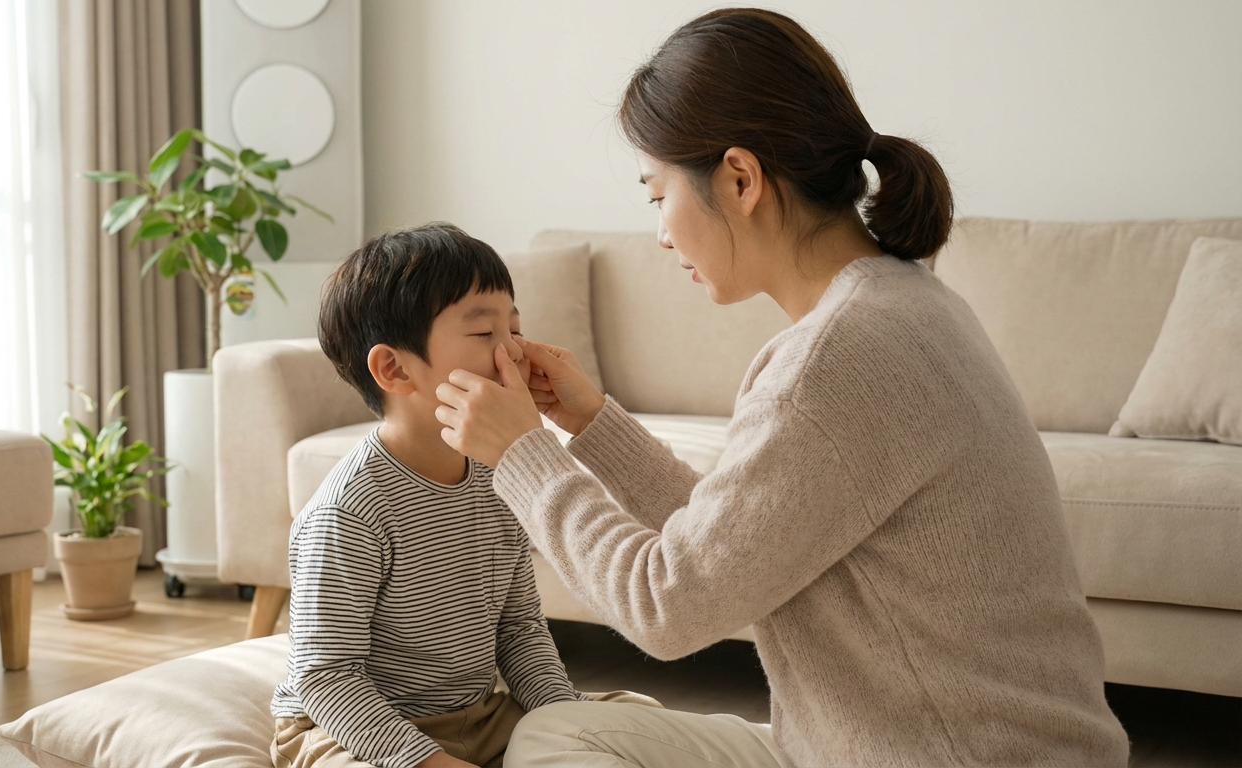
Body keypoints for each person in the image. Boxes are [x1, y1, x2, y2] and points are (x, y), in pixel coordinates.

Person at [434, 8, 1131, 767]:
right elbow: (735, 546)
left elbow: (665, 606)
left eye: (656, 194)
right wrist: (593, 424)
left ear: (740, 178)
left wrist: (525, 458)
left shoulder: (833, 359)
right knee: (560, 732)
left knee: (555, 749)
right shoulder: (904, 302)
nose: (661, 233)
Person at [269, 223, 655, 768]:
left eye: (515, 329)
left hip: (478, 715)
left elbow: (519, 629)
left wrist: (569, 721)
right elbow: (325, 677)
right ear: (394, 369)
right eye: (483, 335)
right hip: (349, 729)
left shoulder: (503, 475)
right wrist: (427, 761)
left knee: (638, 722)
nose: (515, 354)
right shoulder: (349, 511)